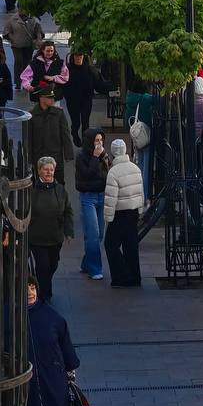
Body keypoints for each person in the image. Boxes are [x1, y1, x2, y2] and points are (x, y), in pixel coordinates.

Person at [24, 275, 80, 406]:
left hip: (48, 391)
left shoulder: (53, 318)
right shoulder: (7, 318)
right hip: (26, 393)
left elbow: (69, 358)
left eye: (32, 287)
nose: (30, 292)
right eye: (26, 288)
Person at [29, 157, 74, 302]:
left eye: (51, 169)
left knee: (53, 265)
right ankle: (45, 295)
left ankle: (42, 284)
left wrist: (68, 231)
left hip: (55, 236)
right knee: (43, 267)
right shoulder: (32, 190)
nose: (49, 172)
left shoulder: (60, 190)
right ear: (39, 170)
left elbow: (68, 211)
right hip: (37, 237)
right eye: (45, 169)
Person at [103, 139, 145, 287]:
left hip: (120, 213)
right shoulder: (135, 168)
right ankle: (134, 277)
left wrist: (108, 218)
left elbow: (111, 198)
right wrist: (140, 209)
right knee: (130, 245)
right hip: (133, 211)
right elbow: (140, 191)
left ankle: (121, 276)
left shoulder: (113, 172)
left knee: (110, 244)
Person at [74, 128, 111, 281]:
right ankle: (95, 268)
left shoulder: (103, 156)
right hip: (88, 197)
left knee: (99, 233)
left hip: (102, 196)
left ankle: (86, 263)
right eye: (96, 140)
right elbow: (87, 174)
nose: (99, 143)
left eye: (101, 140)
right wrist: (95, 158)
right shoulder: (81, 157)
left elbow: (108, 173)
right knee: (93, 234)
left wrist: (105, 158)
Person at [25, 86, 74, 183]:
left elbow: (65, 134)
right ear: (41, 98)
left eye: (53, 97)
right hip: (39, 157)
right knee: (39, 184)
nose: (52, 100)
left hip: (55, 156)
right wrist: (29, 159)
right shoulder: (32, 115)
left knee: (59, 183)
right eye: (49, 97)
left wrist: (68, 154)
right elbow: (28, 139)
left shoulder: (58, 113)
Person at [64, 52, 108, 145]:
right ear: (73, 57)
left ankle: (85, 141)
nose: (78, 58)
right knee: (76, 122)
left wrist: (109, 89)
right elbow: (62, 82)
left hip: (86, 100)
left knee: (85, 122)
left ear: (84, 57)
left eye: (80, 56)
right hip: (72, 100)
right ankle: (75, 134)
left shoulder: (90, 69)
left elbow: (98, 83)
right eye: (76, 56)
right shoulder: (67, 69)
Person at [4, 8, 44, 86]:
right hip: (16, 45)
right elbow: (7, 32)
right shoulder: (12, 19)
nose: (23, 10)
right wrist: (13, 38)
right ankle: (18, 82)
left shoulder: (33, 19)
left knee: (27, 61)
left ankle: (26, 80)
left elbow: (39, 31)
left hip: (29, 45)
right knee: (18, 61)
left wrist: (38, 40)